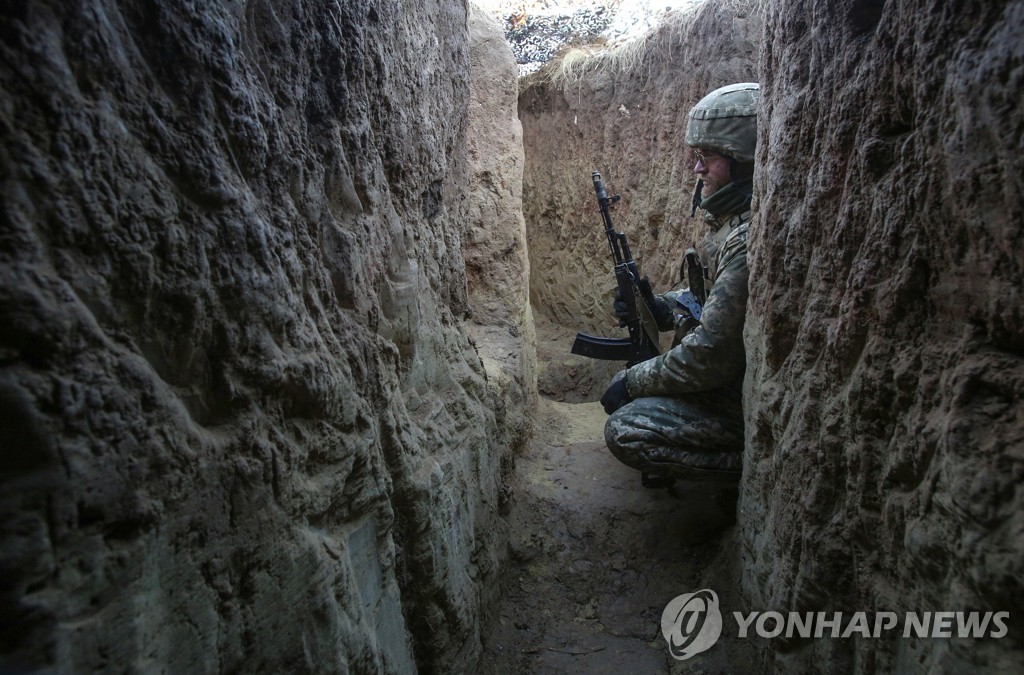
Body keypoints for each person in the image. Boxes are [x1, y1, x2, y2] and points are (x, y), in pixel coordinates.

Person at [599, 82, 760, 487]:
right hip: (722, 383)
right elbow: (706, 303)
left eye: (707, 158)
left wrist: (634, 380)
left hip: (731, 396)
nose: (697, 169)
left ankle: (749, 467)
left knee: (627, 429)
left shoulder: (745, 241)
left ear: (744, 162)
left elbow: (712, 355)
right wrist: (661, 307)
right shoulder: (727, 225)